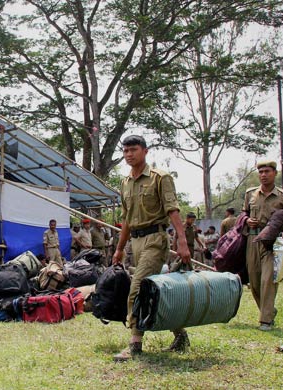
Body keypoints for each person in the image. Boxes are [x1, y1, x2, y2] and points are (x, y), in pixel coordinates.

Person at [111, 135, 192, 362]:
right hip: (135, 242)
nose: (129, 155)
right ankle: (180, 335)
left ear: (145, 151)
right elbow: (126, 220)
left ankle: (135, 344)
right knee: (155, 292)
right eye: (125, 151)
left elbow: (172, 211)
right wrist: (119, 249)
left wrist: (182, 242)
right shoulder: (125, 182)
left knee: (137, 289)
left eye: (133, 150)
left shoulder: (160, 178)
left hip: (156, 240)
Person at [243, 160, 283, 331]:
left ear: (275, 173)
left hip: (274, 243)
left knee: (268, 280)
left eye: (267, 171)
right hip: (253, 241)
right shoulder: (250, 194)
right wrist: (247, 220)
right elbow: (243, 214)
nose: (263, 175)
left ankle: (265, 320)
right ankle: (268, 311)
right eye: (260, 172)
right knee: (254, 282)